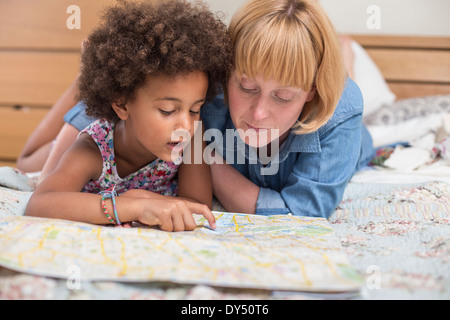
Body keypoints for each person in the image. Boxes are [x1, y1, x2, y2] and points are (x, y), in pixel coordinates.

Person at [28, 0, 375, 219]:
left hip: (349, 133)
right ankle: (80, 76)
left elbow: (305, 212)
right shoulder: (204, 85)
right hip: (111, 109)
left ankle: (345, 60)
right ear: (227, 75)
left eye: (283, 97)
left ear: (312, 92)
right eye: (247, 88)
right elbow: (127, 101)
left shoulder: (339, 110)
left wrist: (202, 152)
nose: (257, 115)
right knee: (33, 162)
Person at [25, 0, 234, 231]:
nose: (185, 124)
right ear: (122, 104)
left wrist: (142, 196)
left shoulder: (191, 135)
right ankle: (80, 78)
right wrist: (131, 205)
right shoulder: (93, 149)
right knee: (28, 161)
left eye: (195, 109)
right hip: (73, 136)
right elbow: (40, 203)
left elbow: (196, 205)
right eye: (167, 110)